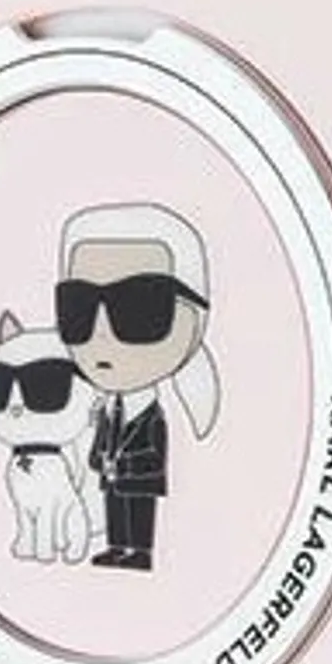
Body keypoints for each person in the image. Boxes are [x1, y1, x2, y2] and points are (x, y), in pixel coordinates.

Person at [56, 203, 220, 570]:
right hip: (113, 478)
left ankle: (140, 551)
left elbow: (154, 453)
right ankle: (118, 547)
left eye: (139, 309)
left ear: (193, 322)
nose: (101, 332)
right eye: (79, 307)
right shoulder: (108, 409)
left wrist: (124, 465)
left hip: (139, 480)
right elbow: (101, 442)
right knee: (116, 511)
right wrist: (99, 462)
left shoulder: (151, 414)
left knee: (139, 514)